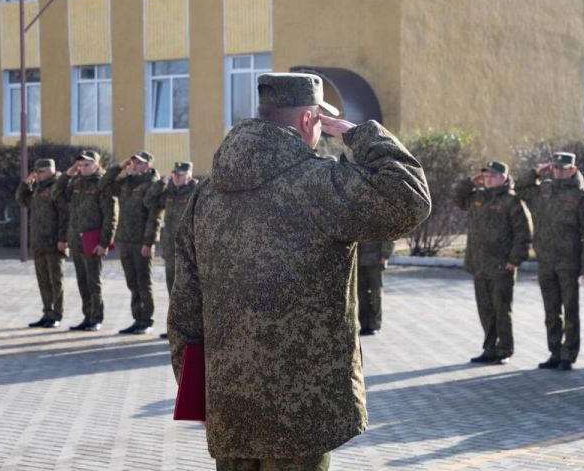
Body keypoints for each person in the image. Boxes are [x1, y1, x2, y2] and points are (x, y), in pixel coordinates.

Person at [168, 72, 430, 470]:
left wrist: (200, 395)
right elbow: (409, 198)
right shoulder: (319, 183)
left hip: (230, 407)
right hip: (303, 412)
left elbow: (184, 309)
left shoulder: (207, 192)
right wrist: (360, 134)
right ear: (309, 119)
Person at [516, 152, 584, 371]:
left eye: (563, 168)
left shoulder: (582, 196)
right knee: (551, 311)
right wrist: (536, 172)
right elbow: (520, 189)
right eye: (555, 168)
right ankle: (555, 352)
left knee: (570, 310)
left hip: (569, 261)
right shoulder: (543, 190)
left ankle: (569, 354)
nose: (558, 172)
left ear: (573, 170)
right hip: (546, 260)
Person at [455, 161, 533, 365]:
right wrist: (469, 182)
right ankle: (489, 348)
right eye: (486, 176)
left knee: (501, 310)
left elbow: (523, 234)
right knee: (485, 310)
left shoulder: (512, 201)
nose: (488, 180)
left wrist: (514, 261)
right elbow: (457, 198)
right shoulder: (476, 197)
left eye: (493, 176)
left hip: (501, 266)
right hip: (479, 264)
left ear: (503, 178)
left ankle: (505, 349)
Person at [101, 151, 163, 335]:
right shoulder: (126, 183)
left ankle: (146, 320)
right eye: (133, 162)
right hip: (125, 240)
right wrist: (119, 167)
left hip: (141, 241)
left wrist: (149, 242)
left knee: (144, 283)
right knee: (132, 283)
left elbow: (155, 216)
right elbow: (103, 185)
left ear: (148, 166)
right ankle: (137, 319)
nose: (135, 165)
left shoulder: (152, 185)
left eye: (139, 163)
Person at [56, 150, 118, 331]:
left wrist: (105, 242)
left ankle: (96, 318)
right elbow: (57, 195)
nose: (83, 168)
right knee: (82, 281)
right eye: (81, 164)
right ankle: (87, 316)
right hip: (77, 240)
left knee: (93, 282)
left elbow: (110, 216)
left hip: (93, 240)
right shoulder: (76, 183)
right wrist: (67, 175)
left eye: (87, 164)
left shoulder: (102, 184)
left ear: (96, 165)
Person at [146, 161, 198, 339]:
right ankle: (175, 330)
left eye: (180, 175)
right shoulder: (169, 191)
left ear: (189, 175)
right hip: (170, 250)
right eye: (175, 174)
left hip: (189, 252)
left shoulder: (195, 191)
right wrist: (161, 183)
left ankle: (191, 331)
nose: (177, 177)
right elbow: (149, 202)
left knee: (189, 292)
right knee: (172, 291)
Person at [15, 158, 68, 328]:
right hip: (39, 242)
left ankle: (57, 315)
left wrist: (63, 239)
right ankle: (47, 313)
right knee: (43, 281)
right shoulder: (38, 188)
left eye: (40, 172)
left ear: (50, 171)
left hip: (54, 242)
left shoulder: (58, 186)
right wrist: (25, 185)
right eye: (36, 172)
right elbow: (22, 200)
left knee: (56, 281)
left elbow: (65, 215)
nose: (37, 175)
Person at [357, 240, 394, 336]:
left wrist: (385, 254)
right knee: (362, 294)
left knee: (376, 294)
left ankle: (375, 325)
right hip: (359, 259)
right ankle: (364, 324)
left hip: (375, 259)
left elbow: (388, 236)